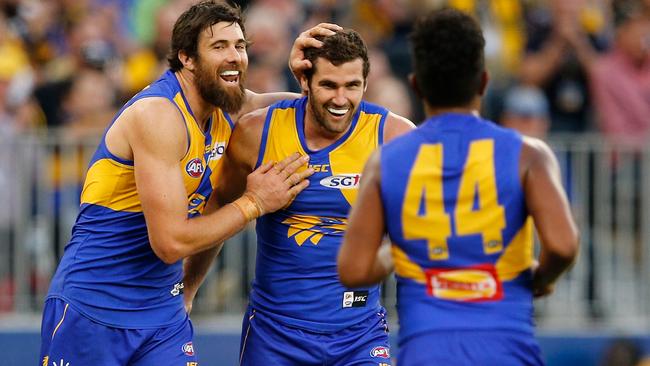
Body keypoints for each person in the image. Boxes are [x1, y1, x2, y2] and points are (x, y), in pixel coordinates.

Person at [38, 2, 339, 364]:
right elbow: (170, 242)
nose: (235, 57)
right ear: (187, 58)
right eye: (220, 47)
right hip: (94, 308)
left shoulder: (226, 107)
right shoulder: (158, 114)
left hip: (162, 314)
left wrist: (307, 80)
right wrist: (254, 203)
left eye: (240, 46)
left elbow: (309, 110)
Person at [338, 8, 579, 365]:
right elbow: (563, 245)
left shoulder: (386, 161)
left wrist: (395, 252)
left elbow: (353, 271)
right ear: (483, 82)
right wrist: (542, 278)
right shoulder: (529, 155)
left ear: (416, 84)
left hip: (426, 352)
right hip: (507, 352)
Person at [214, 29, 414, 365]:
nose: (340, 99)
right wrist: (187, 289)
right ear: (305, 82)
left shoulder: (396, 137)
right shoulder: (257, 132)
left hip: (359, 335)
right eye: (328, 85)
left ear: (366, 84)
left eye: (351, 86)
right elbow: (217, 210)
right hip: (274, 336)